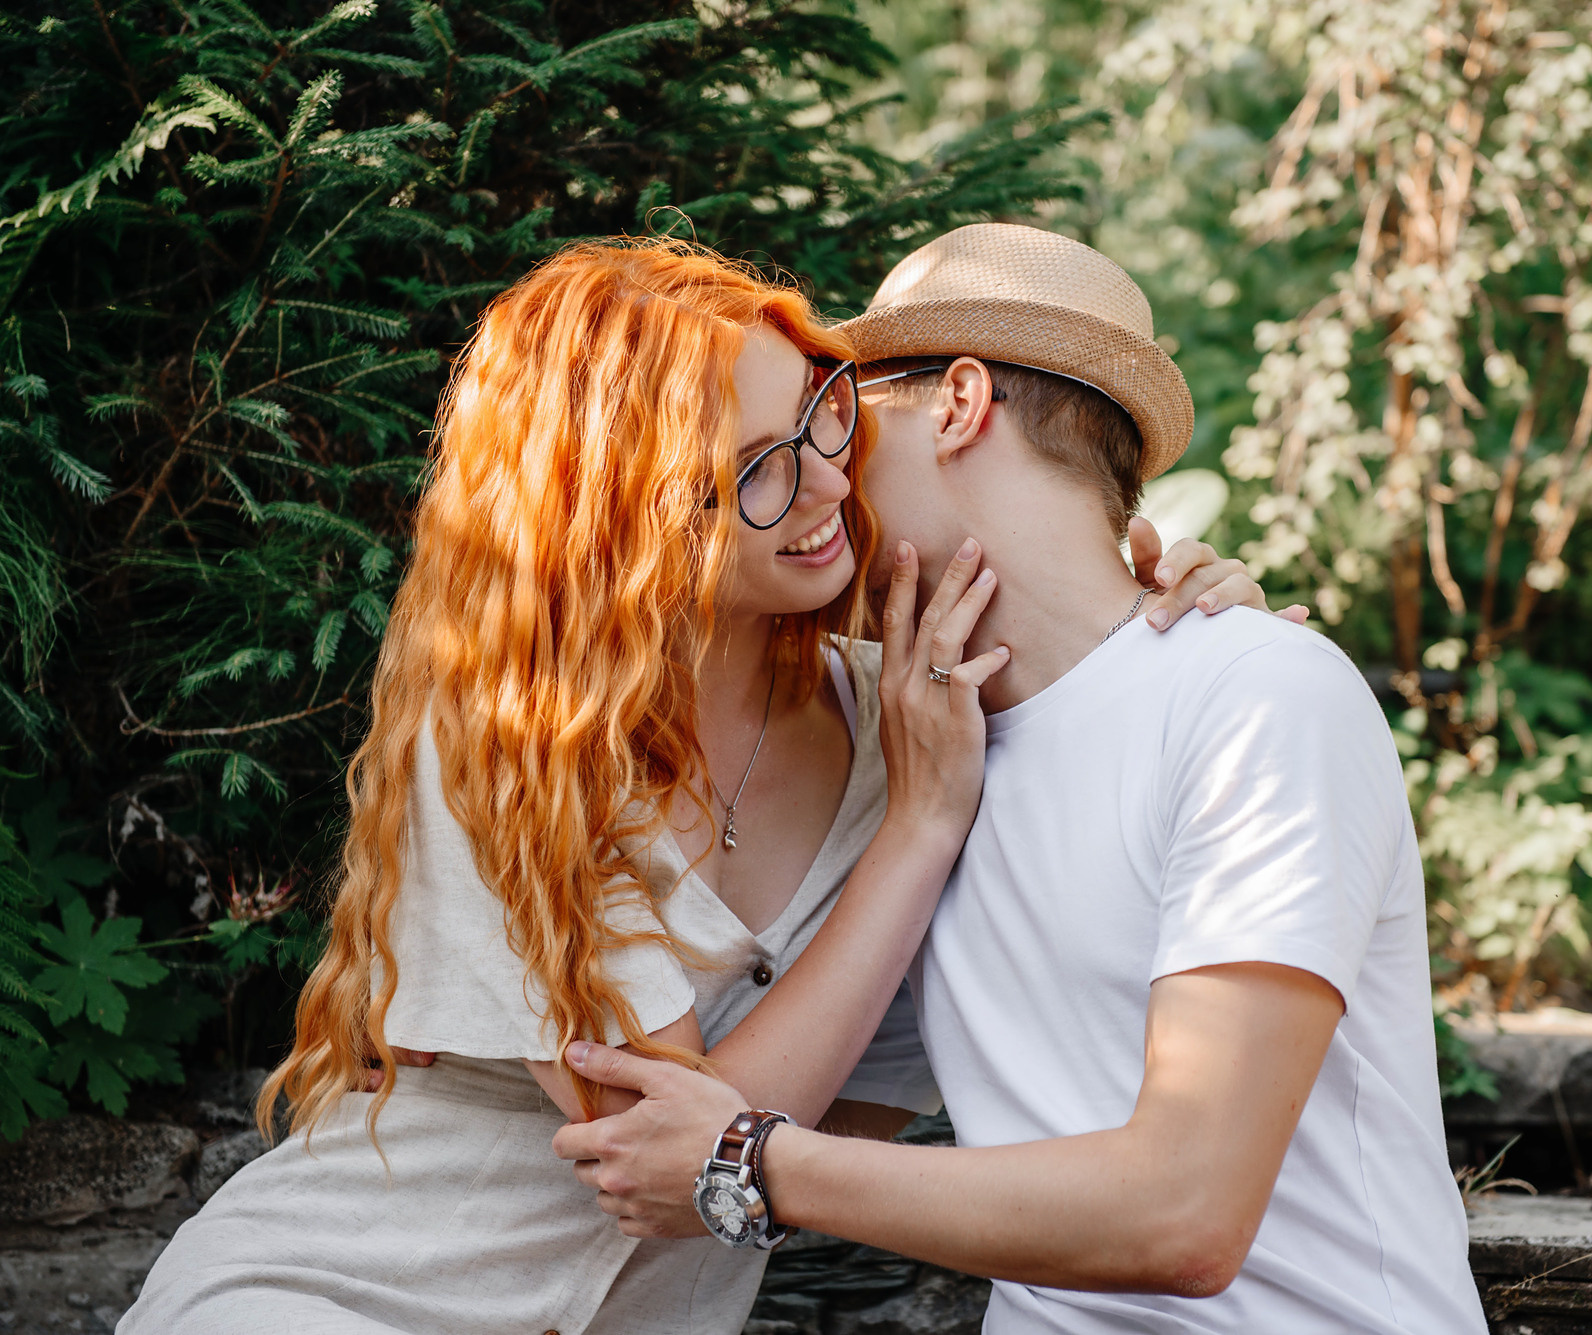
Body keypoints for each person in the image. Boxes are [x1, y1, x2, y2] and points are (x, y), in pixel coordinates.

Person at [117, 238, 1277, 1335]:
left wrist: (1191, 622)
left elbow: (808, 1134)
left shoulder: (907, 714)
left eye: (820, 416)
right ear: (615, 529)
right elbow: (660, 1153)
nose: (825, 482)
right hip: (335, 1298)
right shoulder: (513, 737)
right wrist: (917, 833)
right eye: (751, 477)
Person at [553, 224, 1491, 1335]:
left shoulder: (1252, 697)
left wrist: (752, 1163)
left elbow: (1183, 1216)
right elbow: (783, 1120)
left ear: (957, 404)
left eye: (846, 412)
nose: (821, 471)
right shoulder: (924, 757)